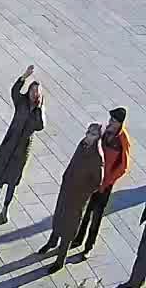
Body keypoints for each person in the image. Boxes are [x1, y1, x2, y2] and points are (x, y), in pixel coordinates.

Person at [43, 124, 109, 273]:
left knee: (69, 226)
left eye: (93, 134)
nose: (88, 135)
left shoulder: (97, 156)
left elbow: (97, 182)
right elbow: (73, 162)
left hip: (78, 196)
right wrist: (65, 177)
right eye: (88, 132)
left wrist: (82, 193)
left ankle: (60, 260)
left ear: (98, 137)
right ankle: (52, 241)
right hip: (67, 190)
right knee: (59, 216)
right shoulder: (82, 144)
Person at [0, 66, 44, 223]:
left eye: (37, 92)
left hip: (22, 151)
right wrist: (24, 76)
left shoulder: (38, 111)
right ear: (28, 91)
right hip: (9, 145)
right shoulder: (21, 102)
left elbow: (40, 126)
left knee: (12, 182)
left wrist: (40, 109)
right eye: (33, 90)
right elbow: (14, 91)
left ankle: (5, 209)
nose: (34, 94)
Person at [72, 107, 130, 253]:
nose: (110, 122)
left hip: (105, 185)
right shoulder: (104, 132)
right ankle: (78, 239)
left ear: (120, 123)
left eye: (113, 120)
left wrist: (107, 181)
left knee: (96, 216)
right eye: (110, 119)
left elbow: (123, 167)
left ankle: (89, 246)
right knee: (86, 212)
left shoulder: (122, 140)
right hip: (93, 180)